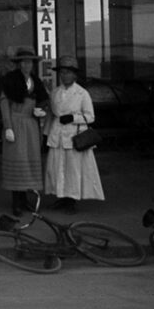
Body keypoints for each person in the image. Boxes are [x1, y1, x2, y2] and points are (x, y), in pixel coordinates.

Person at [0, 45, 50, 213]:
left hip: (30, 124)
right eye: (24, 62)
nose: (27, 65)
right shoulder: (10, 80)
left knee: (28, 161)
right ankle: (16, 202)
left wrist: (40, 111)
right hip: (16, 123)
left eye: (30, 62)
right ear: (19, 64)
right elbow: (4, 104)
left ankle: (25, 200)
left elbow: (42, 100)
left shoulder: (36, 81)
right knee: (17, 159)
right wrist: (8, 127)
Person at [45, 57, 102, 210]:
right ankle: (62, 197)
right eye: (62, 73)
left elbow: (90, 117)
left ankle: (71, 201)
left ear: (74, 75)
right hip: (57, 136)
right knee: (58, 168)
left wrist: (73, 118)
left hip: (73, 137)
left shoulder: (82, 94)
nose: (64, 76)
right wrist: (46, 134)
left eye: (68, 73)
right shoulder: (55, 92)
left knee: (72, 169)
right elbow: (51, 115)